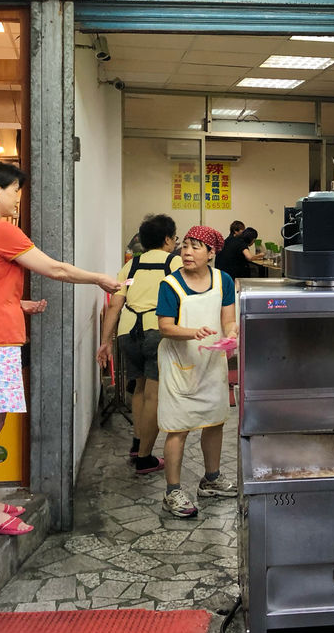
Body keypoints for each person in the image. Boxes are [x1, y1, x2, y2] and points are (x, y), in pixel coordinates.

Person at [0, 160, 120, 535]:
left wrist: (17, 304)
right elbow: (56, 269)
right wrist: (98, 278)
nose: (17, 199)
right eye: (15, 191)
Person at [156, 226, 238, 518]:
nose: (187, 252)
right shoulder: (171, 284)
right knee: (178, 426)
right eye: (185, 246)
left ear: (212, 253)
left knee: (214, 421)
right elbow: (165, 326)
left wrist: (231, 333)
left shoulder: (222, 280)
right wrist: (193, 332)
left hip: (211, 362)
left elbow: (228, 319)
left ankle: (211, 479)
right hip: (179, 363)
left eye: (195, 247)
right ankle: (173, 491)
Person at [97, 214, 179, 474]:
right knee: (155, 395)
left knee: (139, 390)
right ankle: (144, 457)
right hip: (157, 331)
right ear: (167, 239)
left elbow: (114, 304)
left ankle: (136, 443)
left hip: (127, 333)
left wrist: (105, 342)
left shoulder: (131, 265)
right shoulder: (174, 262)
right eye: (175, 238)